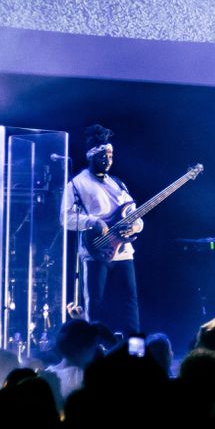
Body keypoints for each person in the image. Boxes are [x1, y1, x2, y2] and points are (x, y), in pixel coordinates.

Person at [61, 124, 140, 335]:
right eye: (103, 156)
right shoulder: (77, 184)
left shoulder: (118, 184)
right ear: (91, 156)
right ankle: (93, 350)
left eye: (111, 155)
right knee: (95, 305)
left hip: (123, 252)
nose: (108, 160)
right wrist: (92, 222)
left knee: (129, 303)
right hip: (95, 251)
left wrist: (136, 226)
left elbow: (133, 212)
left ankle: (135, 351)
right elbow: (65, 218)